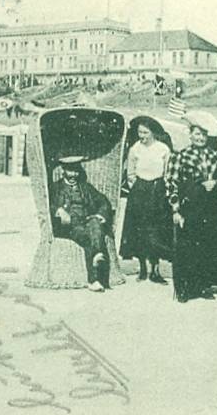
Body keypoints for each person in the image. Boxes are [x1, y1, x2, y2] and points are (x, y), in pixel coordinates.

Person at [166, 115, 217, 303]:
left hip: (212, 208)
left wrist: (216, 183)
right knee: (188, 247)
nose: (200, 138)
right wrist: (175, 209)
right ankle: (187, 288)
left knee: (209, 246)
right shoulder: (180, 156)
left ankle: (205, 286)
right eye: (197, 134)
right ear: (190, 135)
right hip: (190, 207)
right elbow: (171, 183)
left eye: (203, 135)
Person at [49, 157, 121, 291]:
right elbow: (48, 204)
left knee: (95, 223)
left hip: (87, 220)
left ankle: (96, 257)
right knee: (89, 237)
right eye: (70, 171)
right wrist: (59, 210)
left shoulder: (85, 186)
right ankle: (94, 277)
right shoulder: (56, 187)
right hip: (69, 226)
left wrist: (100, 215)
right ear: (63, 170)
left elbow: (103, 201)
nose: (73, 175)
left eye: (76, 171)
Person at [120, 118, 173, 283]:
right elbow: (130, 173)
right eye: (139, 132)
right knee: (140, 230)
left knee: (156, 231)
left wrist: (164, 191)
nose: (142, 136)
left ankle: (155, 270)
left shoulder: (163, 149)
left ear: (153, 132)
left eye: (145, 132)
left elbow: (168, 173)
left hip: (158, 192)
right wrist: (137, 187)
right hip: (140, 192)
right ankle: (142, 268)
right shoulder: (135, 148)